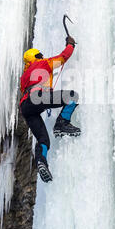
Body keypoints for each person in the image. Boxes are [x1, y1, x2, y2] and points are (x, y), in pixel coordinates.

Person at [20, 35, 80, 183]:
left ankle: (42, 162)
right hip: (38, 97)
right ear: (37, 56)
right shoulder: (43, 63)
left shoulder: (24, 76)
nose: (43, 56)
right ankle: (62, 123)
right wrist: (70, 45)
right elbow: (63, 57)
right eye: (40, 55)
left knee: (43, 140)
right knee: (72, 96)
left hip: (25, 107)